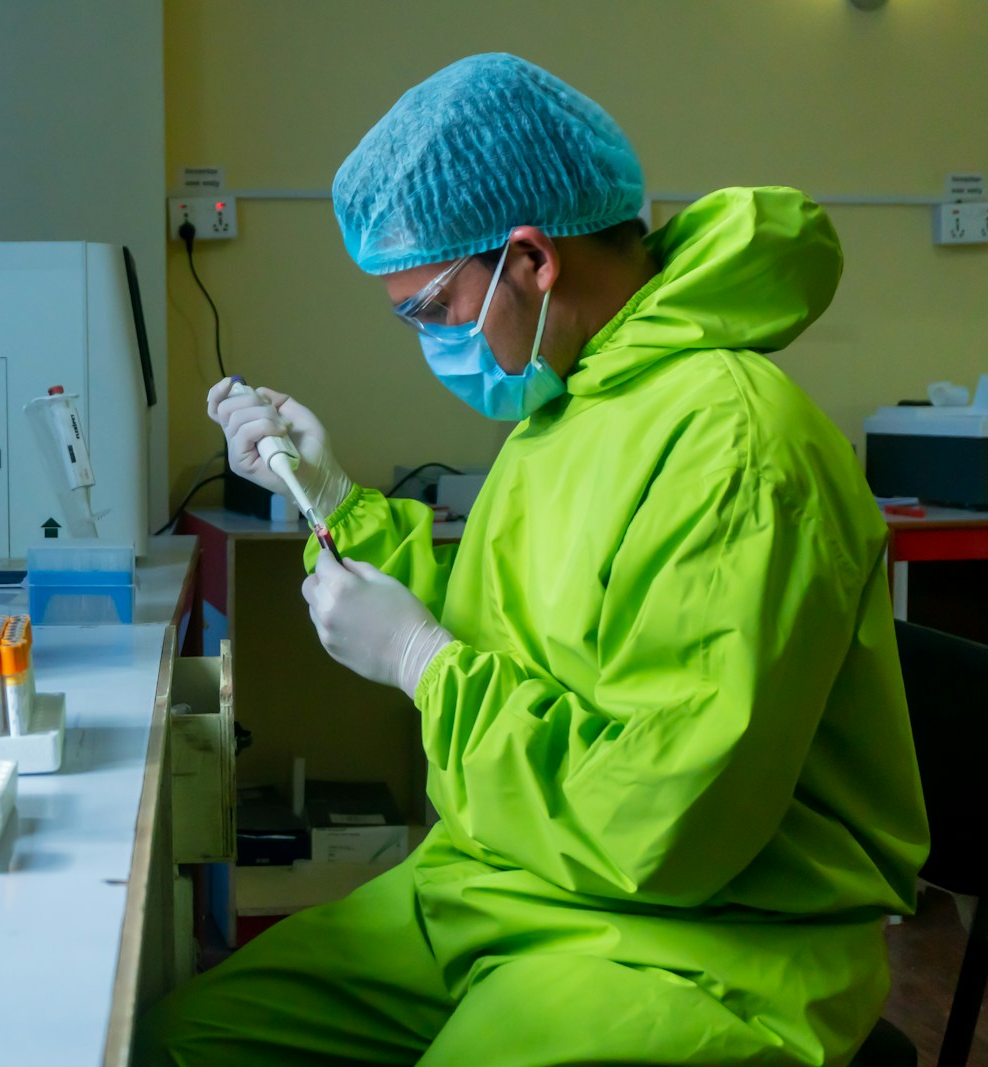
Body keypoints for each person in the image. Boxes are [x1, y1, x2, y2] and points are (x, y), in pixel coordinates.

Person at [138, 53, 927, 1066]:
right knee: (178, 1042)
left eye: (432, 309)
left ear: (531, 260)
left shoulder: (730, 447)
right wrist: (333, 500)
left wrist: (424, 665)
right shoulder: (575, 400)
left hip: (696, 941)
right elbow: (499, 623)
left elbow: (662, 825)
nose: (430, 339)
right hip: (501, 882)